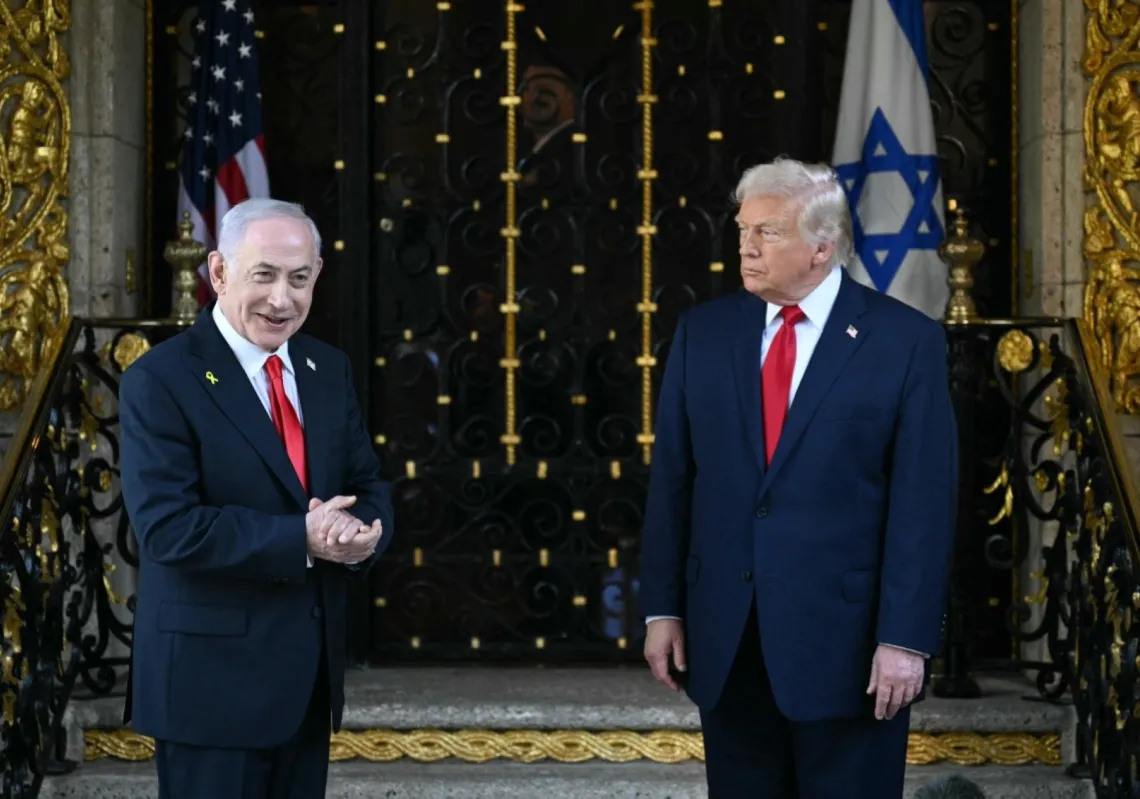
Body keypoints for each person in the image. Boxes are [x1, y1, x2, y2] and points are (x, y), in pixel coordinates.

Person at [638, 157, 957, 797]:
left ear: (822, 247)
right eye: (742, 230)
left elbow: (922, 504)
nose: (746, 248)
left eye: (768, 233)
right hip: (729, 639)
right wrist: (662, 608)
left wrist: (905, 639)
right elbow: (673, 479)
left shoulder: (904, 342)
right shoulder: (702, 333)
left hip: (851, 649)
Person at [119, 198, 394, 798]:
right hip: (209, 690)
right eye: (263, 275)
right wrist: (303, 537)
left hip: (305, 685)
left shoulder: (328, 367)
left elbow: (366, 485)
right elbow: (167, 527)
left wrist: (362, 534)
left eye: (299, 279)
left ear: (317, 276)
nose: (282, 299)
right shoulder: (161, 379)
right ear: (218, 273)